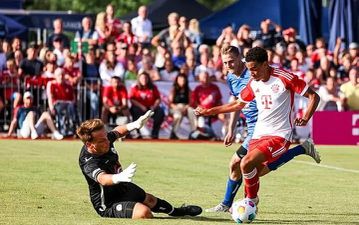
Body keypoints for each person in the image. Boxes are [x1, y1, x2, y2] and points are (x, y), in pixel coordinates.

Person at [200, 46, 321, 212]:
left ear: (265, 64)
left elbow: (314, 96)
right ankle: (302, 149)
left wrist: (306, 117)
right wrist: (209, 111)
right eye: (249, 69)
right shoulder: (253, 82)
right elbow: (237, 104)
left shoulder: (285, 78)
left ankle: (250, 201)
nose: (252, 73)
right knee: (254, 171)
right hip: (258, 134)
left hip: (279, 135)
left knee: (245, 163)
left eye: (254, 69)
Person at [77, 111, 202, 219]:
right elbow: (103, 179)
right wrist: (117, 177)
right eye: (102, 140)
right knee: (144, 213)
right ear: (89, 145)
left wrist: (134, 124)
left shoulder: (104, 139)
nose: (107, 141)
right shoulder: (88, 160)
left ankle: (177, 211)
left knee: (150, 200)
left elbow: (117, 131)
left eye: (106, 136)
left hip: (122, 187)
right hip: (108, 203)